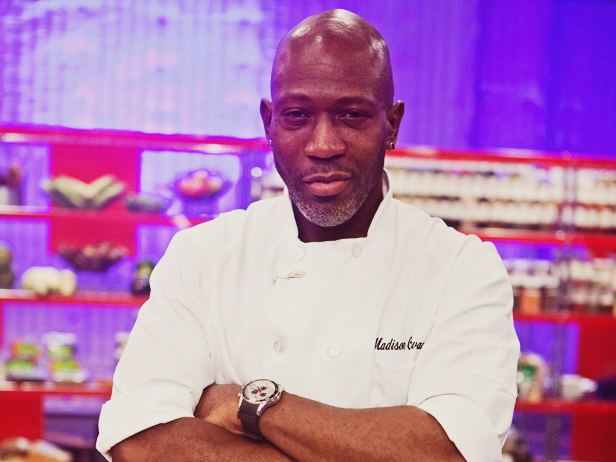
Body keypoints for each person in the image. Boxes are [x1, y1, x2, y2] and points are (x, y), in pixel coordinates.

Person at [97, 9, 519, 462]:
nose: (322, 145)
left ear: (391, 125)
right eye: (297, 116)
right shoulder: (204, 256)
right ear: (268, 122)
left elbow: (447, 452)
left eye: (351, 116)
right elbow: (140, 438)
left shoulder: (461, 270)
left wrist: (251, 406)